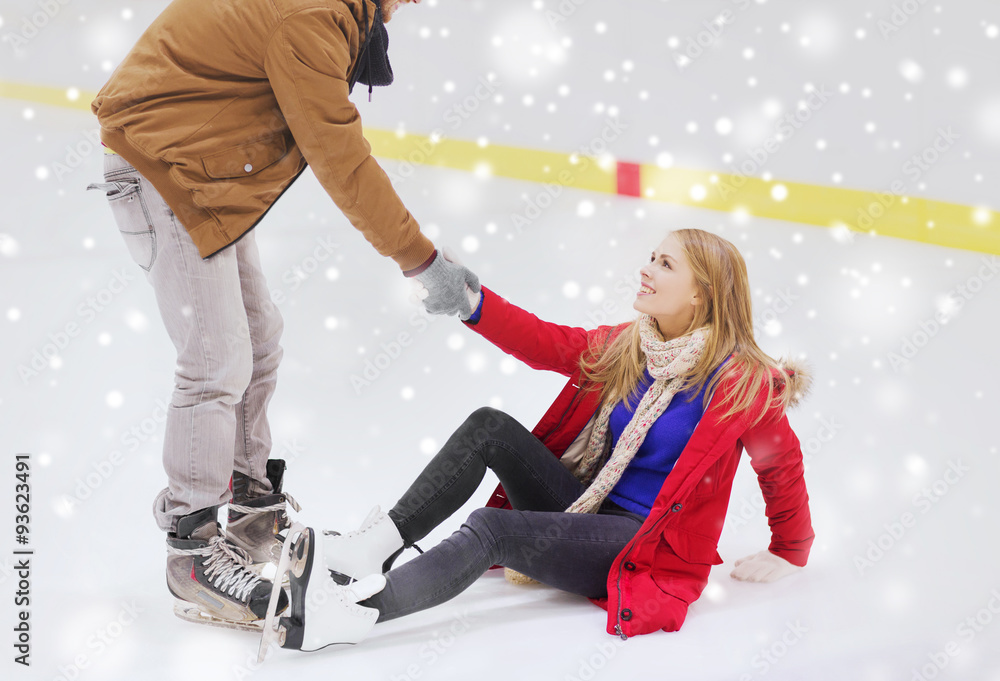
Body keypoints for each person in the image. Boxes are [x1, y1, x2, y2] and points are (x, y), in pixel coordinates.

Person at [86, 0, 479, 629]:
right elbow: (341, 160)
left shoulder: (338, 14)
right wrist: (422, 261)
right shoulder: (311, 18)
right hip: (162, 165)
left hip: (203, 169)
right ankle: (192, 548)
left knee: (260, 342)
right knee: (215, 359)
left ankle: (247, 510)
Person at [261, 228, 815, 653]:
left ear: (703, 294)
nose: (645, 270)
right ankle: (367, 550)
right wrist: (471, 303)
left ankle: (352, 616)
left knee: (491, 530)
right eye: (651, 256)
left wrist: (789, 551)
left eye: (665, 265)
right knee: (489, 426)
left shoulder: (744, 384)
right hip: (585, 506)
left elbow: (780, 467)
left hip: (636, 545)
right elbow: (548, 344)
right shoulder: (633, 344)